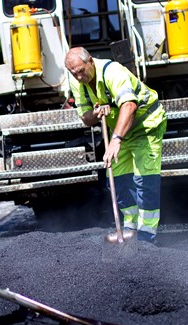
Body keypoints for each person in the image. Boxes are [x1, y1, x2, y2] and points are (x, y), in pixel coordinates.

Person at [65, 47, 167, 242]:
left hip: (146, 125)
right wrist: (95, 113)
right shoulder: (76, 80)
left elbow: (129, 105)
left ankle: (146, 235)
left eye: (80, 71)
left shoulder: (113, 72)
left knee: (144, 181)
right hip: (121, 130)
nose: (78, 77)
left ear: (91, 62)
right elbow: (85, 118)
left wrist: (116, 140)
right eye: (73, 73)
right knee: (119, 181)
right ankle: (129, 228)